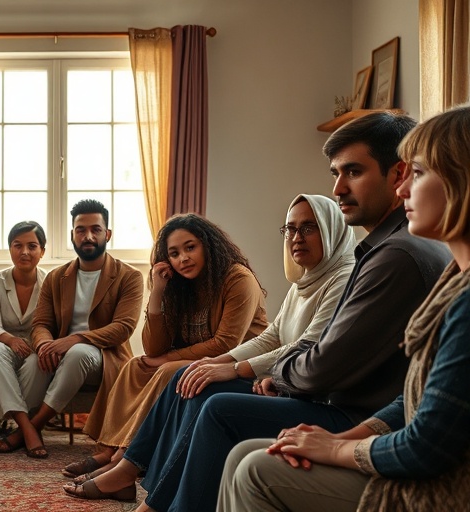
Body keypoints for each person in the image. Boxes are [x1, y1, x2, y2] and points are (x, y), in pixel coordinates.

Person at [98, 111, 452, 512]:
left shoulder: (391, 258)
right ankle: (134, 472)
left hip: (338, 405)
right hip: (333, 399)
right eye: (335, 173)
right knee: (191, 380)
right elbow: (288, 341)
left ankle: (155, 498)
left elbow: (319, 359)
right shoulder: (361, 260)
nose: (338, 188)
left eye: (353, 172)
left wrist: (272, 378)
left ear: (399, 174)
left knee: (214, 404)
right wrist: (158, 296)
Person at [218, 104, 470, 512]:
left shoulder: (410, 263)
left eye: (417, 174)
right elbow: (417, 398)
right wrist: (343, 440)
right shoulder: (452, 278)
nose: (403, 189)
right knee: (245, 453)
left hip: (445, 484)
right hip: (365, 422)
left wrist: (336, 449)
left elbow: (428, 446)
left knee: (256, 467)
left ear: (462, 182)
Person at [63, 194, 355, 502]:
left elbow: (266, 344)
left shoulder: (328, 278)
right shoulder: (304, 282)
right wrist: (159, 292)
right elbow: (274, 335)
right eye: (291, 229)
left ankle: (134, 474)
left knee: (182, 377)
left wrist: (226, 366)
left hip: (278, 380)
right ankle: (119, 460)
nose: (296, 238)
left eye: (308, 228)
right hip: (262, 372)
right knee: (156, 369)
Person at [63, 213, 269, 487]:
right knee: (135, 366)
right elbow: (153, 346)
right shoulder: (179, 286)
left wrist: (166, 359)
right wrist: (158, 291)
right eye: (174, 253)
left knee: (169, 370)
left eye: (190, 247)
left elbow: (225, 343)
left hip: (235, 368)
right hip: (196, 362)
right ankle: (109, 451)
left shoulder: (237, 279)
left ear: (208, 244)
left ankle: (122, 461)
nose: (183, 258)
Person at [0, 199, 144, 458]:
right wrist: (44, 345)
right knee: (35, 360)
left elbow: (123, 328)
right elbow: (41, 324)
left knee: (78, 353)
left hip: (105, 356)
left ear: (107, 234)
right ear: (72, 235)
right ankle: (27, 425)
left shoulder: (128, 276)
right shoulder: (57, 277)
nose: (88, 236)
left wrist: (74, 339)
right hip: (60, 351)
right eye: (80, 230)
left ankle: (31, 428)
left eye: (95, 229)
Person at [0, 221, 50, 457]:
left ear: (43, 251)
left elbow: (53, 325)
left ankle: (19, 430)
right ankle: (28, 428)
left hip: (35, 347)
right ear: (10, 249)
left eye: (32, 246)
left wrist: (35, 345)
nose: (25, 252)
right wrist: (11, 341)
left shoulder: (50, 283)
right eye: (17, 245)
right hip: (5, 345)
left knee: (40, 361)